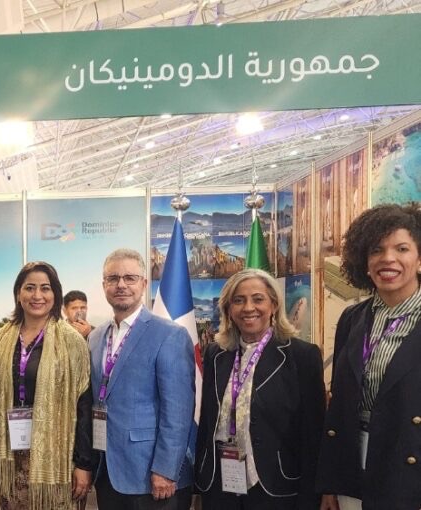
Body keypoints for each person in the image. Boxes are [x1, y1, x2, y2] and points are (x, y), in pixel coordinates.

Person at [317, 203, 421, 510]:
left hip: (408, 474)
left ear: (419, 259)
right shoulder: (352, 318)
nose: (388, 258)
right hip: (352, 468)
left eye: (401, 248)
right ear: (364, 261)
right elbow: (339, 405)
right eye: (377, 250)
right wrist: (330, 482)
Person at [194, 269, 324, 509]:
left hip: (276, 485)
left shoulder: (302, 356)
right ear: (228, 309)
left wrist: (312, 496)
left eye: (258, 299)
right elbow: (207, 421)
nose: (248, 308)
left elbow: (312, 434)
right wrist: (200, 482)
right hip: (221, 484)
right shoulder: (215, 354)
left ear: (273, 305)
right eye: (238, 300)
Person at [88, 248, 195, 510]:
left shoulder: (170, 335)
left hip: (152, 476)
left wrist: (166, 469)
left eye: (130, 278)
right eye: (113, 278)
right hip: (107, 470)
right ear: (104, 285)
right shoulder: (95, 337)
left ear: (144, 283)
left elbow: (178, 411)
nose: (121, 285)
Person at [0, 261, 92, 509]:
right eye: (29, 288)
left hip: (58, 459)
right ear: (18, 293)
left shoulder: (72, 342)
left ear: (55, 294)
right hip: (10, 455)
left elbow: (83, 405)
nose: (37, 295)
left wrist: (84, 463)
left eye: (45, 288)